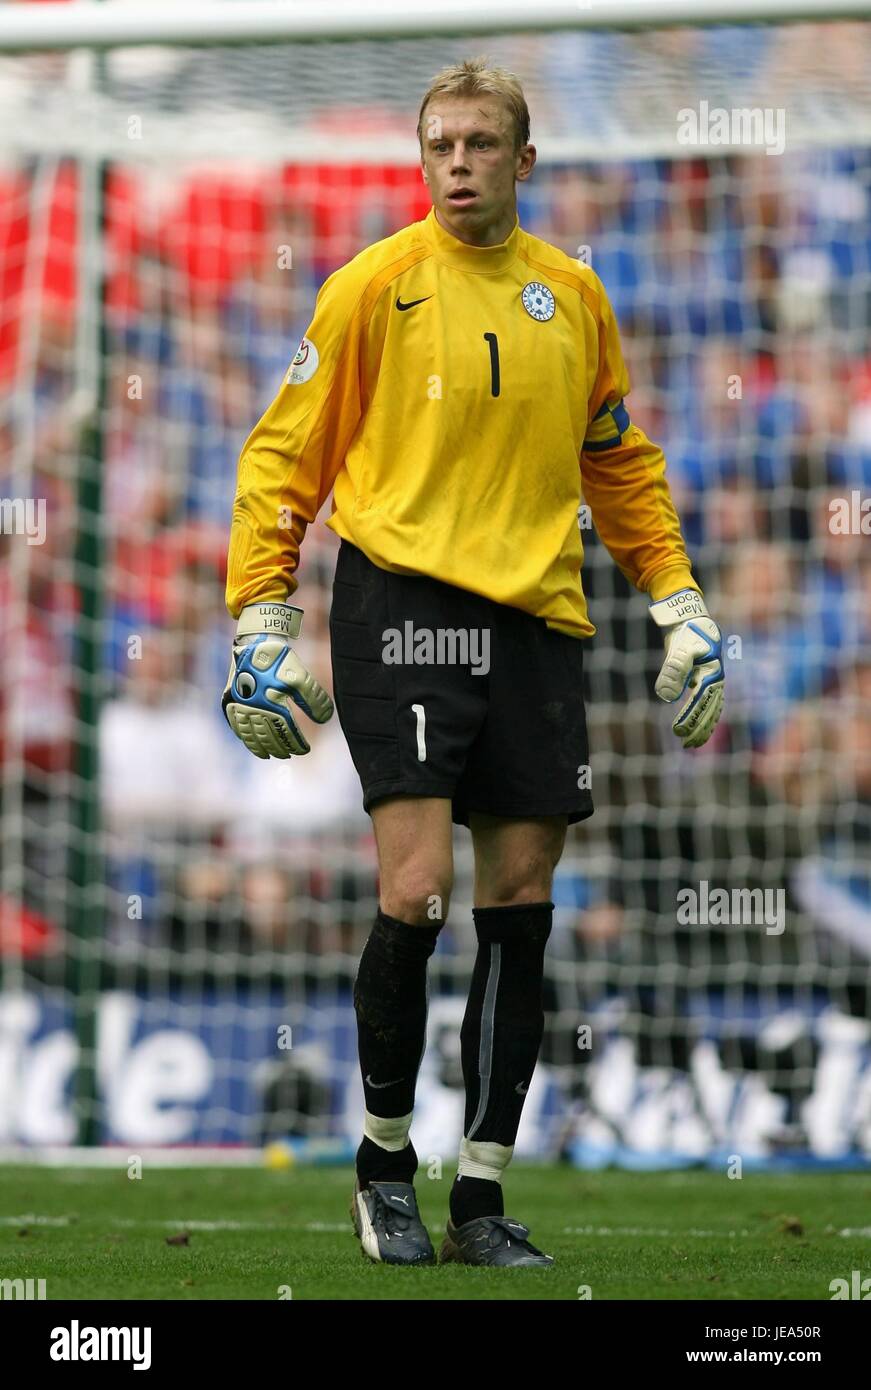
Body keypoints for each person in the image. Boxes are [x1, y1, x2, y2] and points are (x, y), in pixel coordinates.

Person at [221, 59, 724, 1269]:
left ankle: (481, 1193)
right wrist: (257, 615)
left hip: (539, 621)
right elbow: (281, 459)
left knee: (520, 906)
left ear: (523, 160)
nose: (458, 164)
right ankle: (384, 1162)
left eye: (481, 144)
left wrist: (678, 597)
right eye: (441, 144)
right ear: (421, 157)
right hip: (400, 608)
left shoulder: (575, 298)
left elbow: (619, 460)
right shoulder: (370, 290)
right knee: (414, 890)